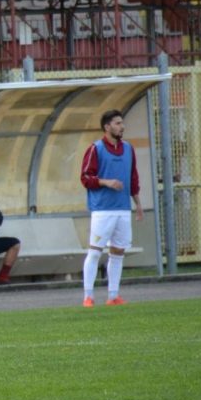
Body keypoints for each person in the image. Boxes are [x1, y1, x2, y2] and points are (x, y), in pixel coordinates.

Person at [79, 110, 144, 307]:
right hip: (103, 210)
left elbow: (133, 178)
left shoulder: (128, 149)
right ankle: (88, 296)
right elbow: (85, 178)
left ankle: (113, 295)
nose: (122, 126)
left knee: (118, 252)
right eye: (117, 123)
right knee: (95, 251)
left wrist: (138, 204)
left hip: (123, 209)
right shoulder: (95, 149)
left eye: (122, 123)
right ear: (107, 127)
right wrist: (106, 182)